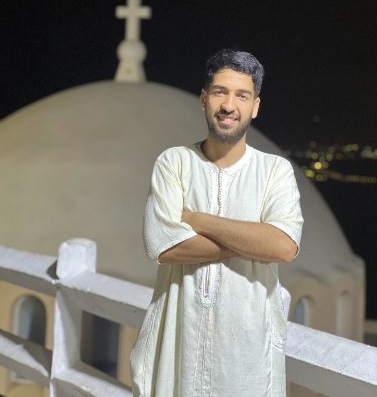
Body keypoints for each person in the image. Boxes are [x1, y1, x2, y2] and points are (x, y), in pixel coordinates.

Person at [130, 49, 304, 397]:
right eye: (220, 92)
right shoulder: (174, 163)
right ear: (204, 99)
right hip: (178, 344)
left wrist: (199, 220)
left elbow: (283, 247)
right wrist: (253, 241)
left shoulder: (274, 171)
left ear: (255, 106)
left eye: (242, 95)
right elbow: (164, 246)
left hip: (247, 355)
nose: (228, 105)